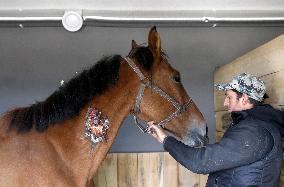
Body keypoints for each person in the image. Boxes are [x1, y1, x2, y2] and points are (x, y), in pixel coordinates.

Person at [148, 73, 284, 187]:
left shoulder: (254, 132)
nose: (225, 103)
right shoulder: (254, 125)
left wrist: (164, 139)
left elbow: (200, 162)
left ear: (244, 99)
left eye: (229, 97)